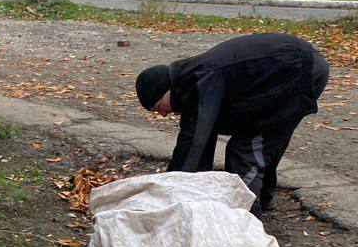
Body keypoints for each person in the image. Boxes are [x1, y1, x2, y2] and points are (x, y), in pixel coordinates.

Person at [135, 31, 329, 214]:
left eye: (159, 106)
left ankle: (245, 220)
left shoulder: (200, 79)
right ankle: (264, 197)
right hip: (295, 69)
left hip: (297, 71)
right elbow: (203, 133)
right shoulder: (192, 78)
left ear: (166, 90)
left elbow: (195, 139)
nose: (162, 114)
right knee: (264, 141)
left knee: (245, 152)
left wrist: (170, 191)